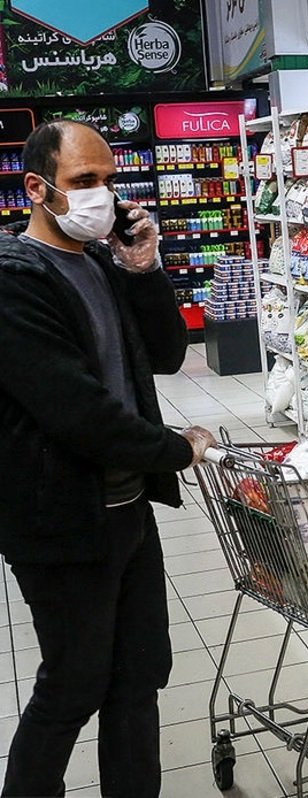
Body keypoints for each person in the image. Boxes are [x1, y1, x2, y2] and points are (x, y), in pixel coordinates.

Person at [0, 119, 216, 797]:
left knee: (139, 678)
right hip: (60, 522)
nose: (102, 194)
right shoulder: (14, 281)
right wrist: (176, 450)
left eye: (109, 179)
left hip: (127, 511)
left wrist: (143, 269)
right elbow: (77, 411)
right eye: (84, 180)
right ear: (37, 188)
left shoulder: (97, 262)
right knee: (73, 685)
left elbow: (166, 354)